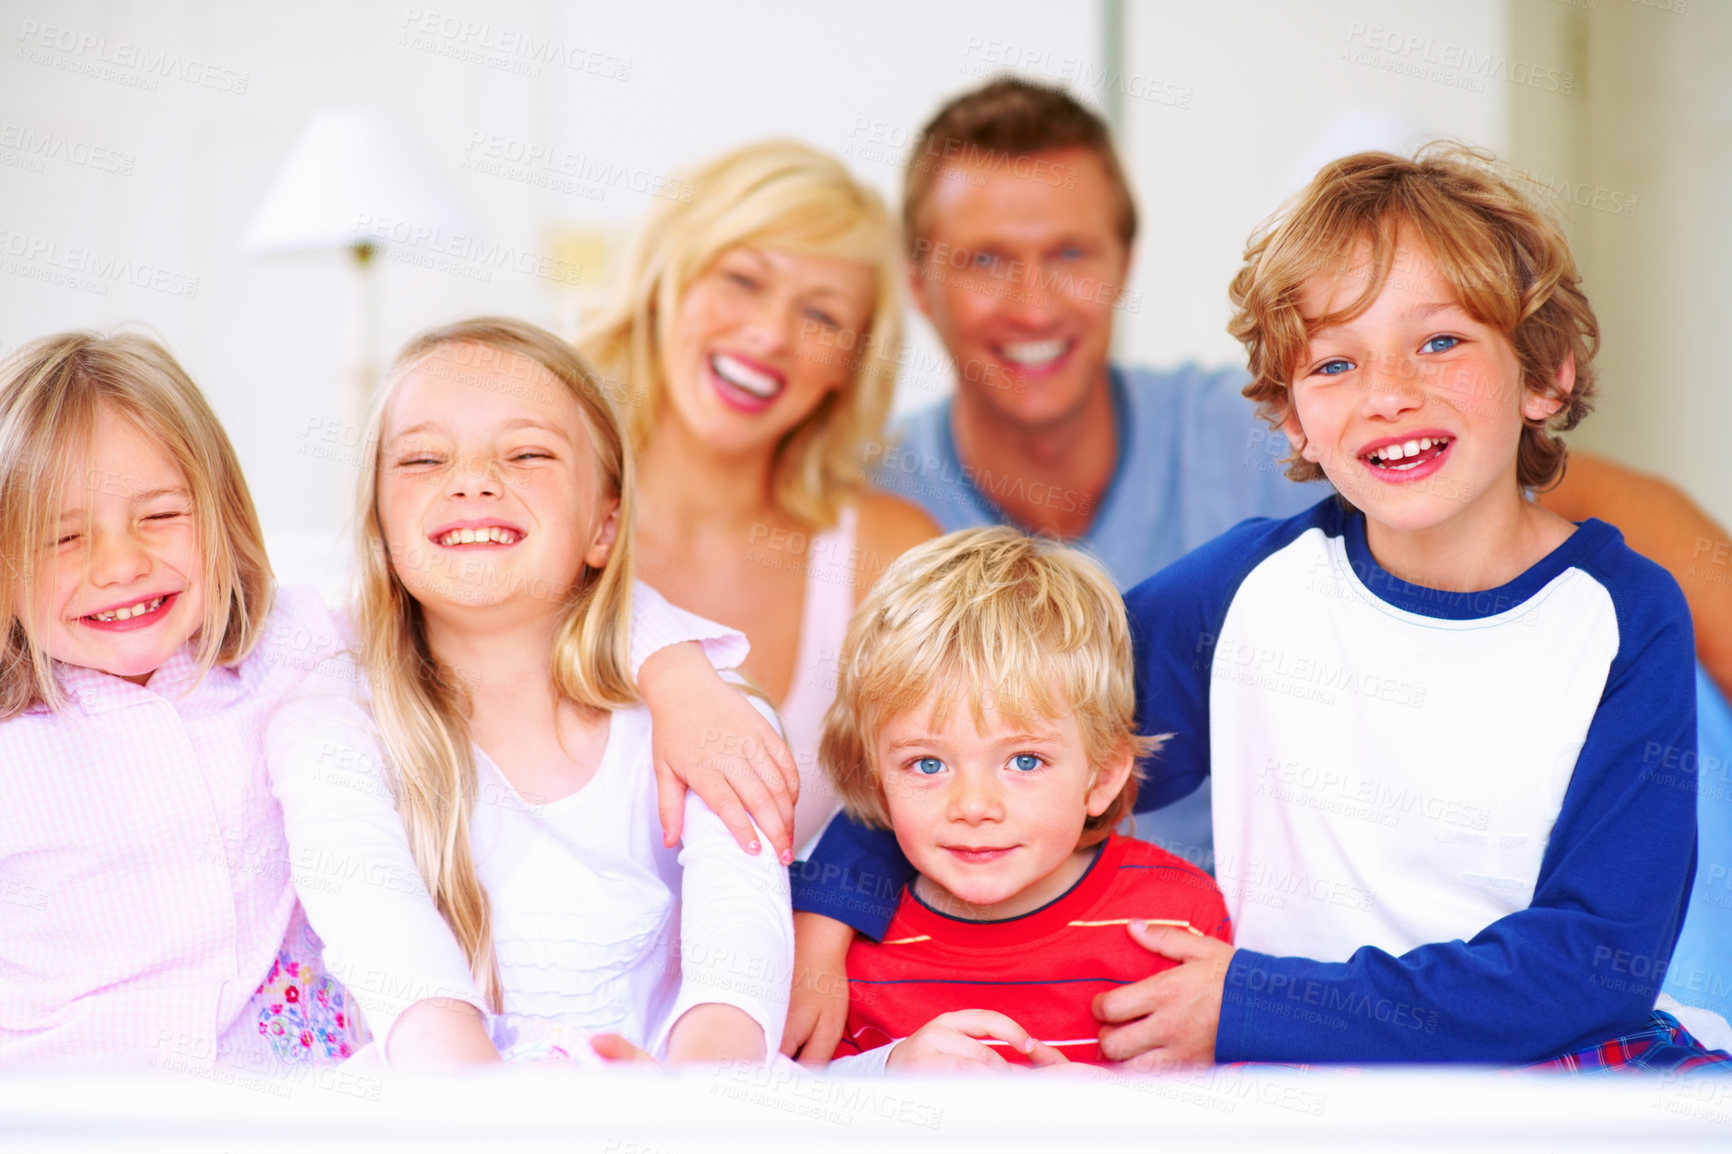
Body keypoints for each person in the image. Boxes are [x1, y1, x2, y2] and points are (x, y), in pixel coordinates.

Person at [784, 77, 1732, 1062]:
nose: (1389, 395)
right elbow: (974, 717)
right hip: (1288, 1090)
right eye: (1335, 364)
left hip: (1550, 1076)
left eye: (1439, 341)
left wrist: (1256, 1003)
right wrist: (830, 911)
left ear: (1543, 374)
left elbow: (1595, 963)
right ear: (1287, 414)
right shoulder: (1243, 592)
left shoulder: (1623, 617)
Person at [267, 319, 792, 1068]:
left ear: (604, 527)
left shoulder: (710, 717)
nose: (473, 478)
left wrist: (688, 1107)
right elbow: (398, 965)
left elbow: (740, 957)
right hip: (444, 1111)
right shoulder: (330, 724)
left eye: (527, 454)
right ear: (381, 528)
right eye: (422, 457)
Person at [0, 332, 364, 1068]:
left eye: (160, 516)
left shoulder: (288, 644)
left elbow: (466, 623)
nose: (122, 564)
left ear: (222, 515)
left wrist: (665, 663)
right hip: (65, 1108)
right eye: (63, 536)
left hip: (297, 1097)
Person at [579, 140, 939, 856]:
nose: (771, 334)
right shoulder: (532, 505)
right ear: (664, 283)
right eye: (742, 279)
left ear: (850, 367)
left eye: (824, 316)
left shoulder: (888, 557)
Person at [818, 528, 1231, 1073]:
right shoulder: (842, 952)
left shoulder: (1182, 919)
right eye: (927, 764)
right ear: (876, 781)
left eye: (1025, 761)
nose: (973, 805)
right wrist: (888, 1075)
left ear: (1102, 777)